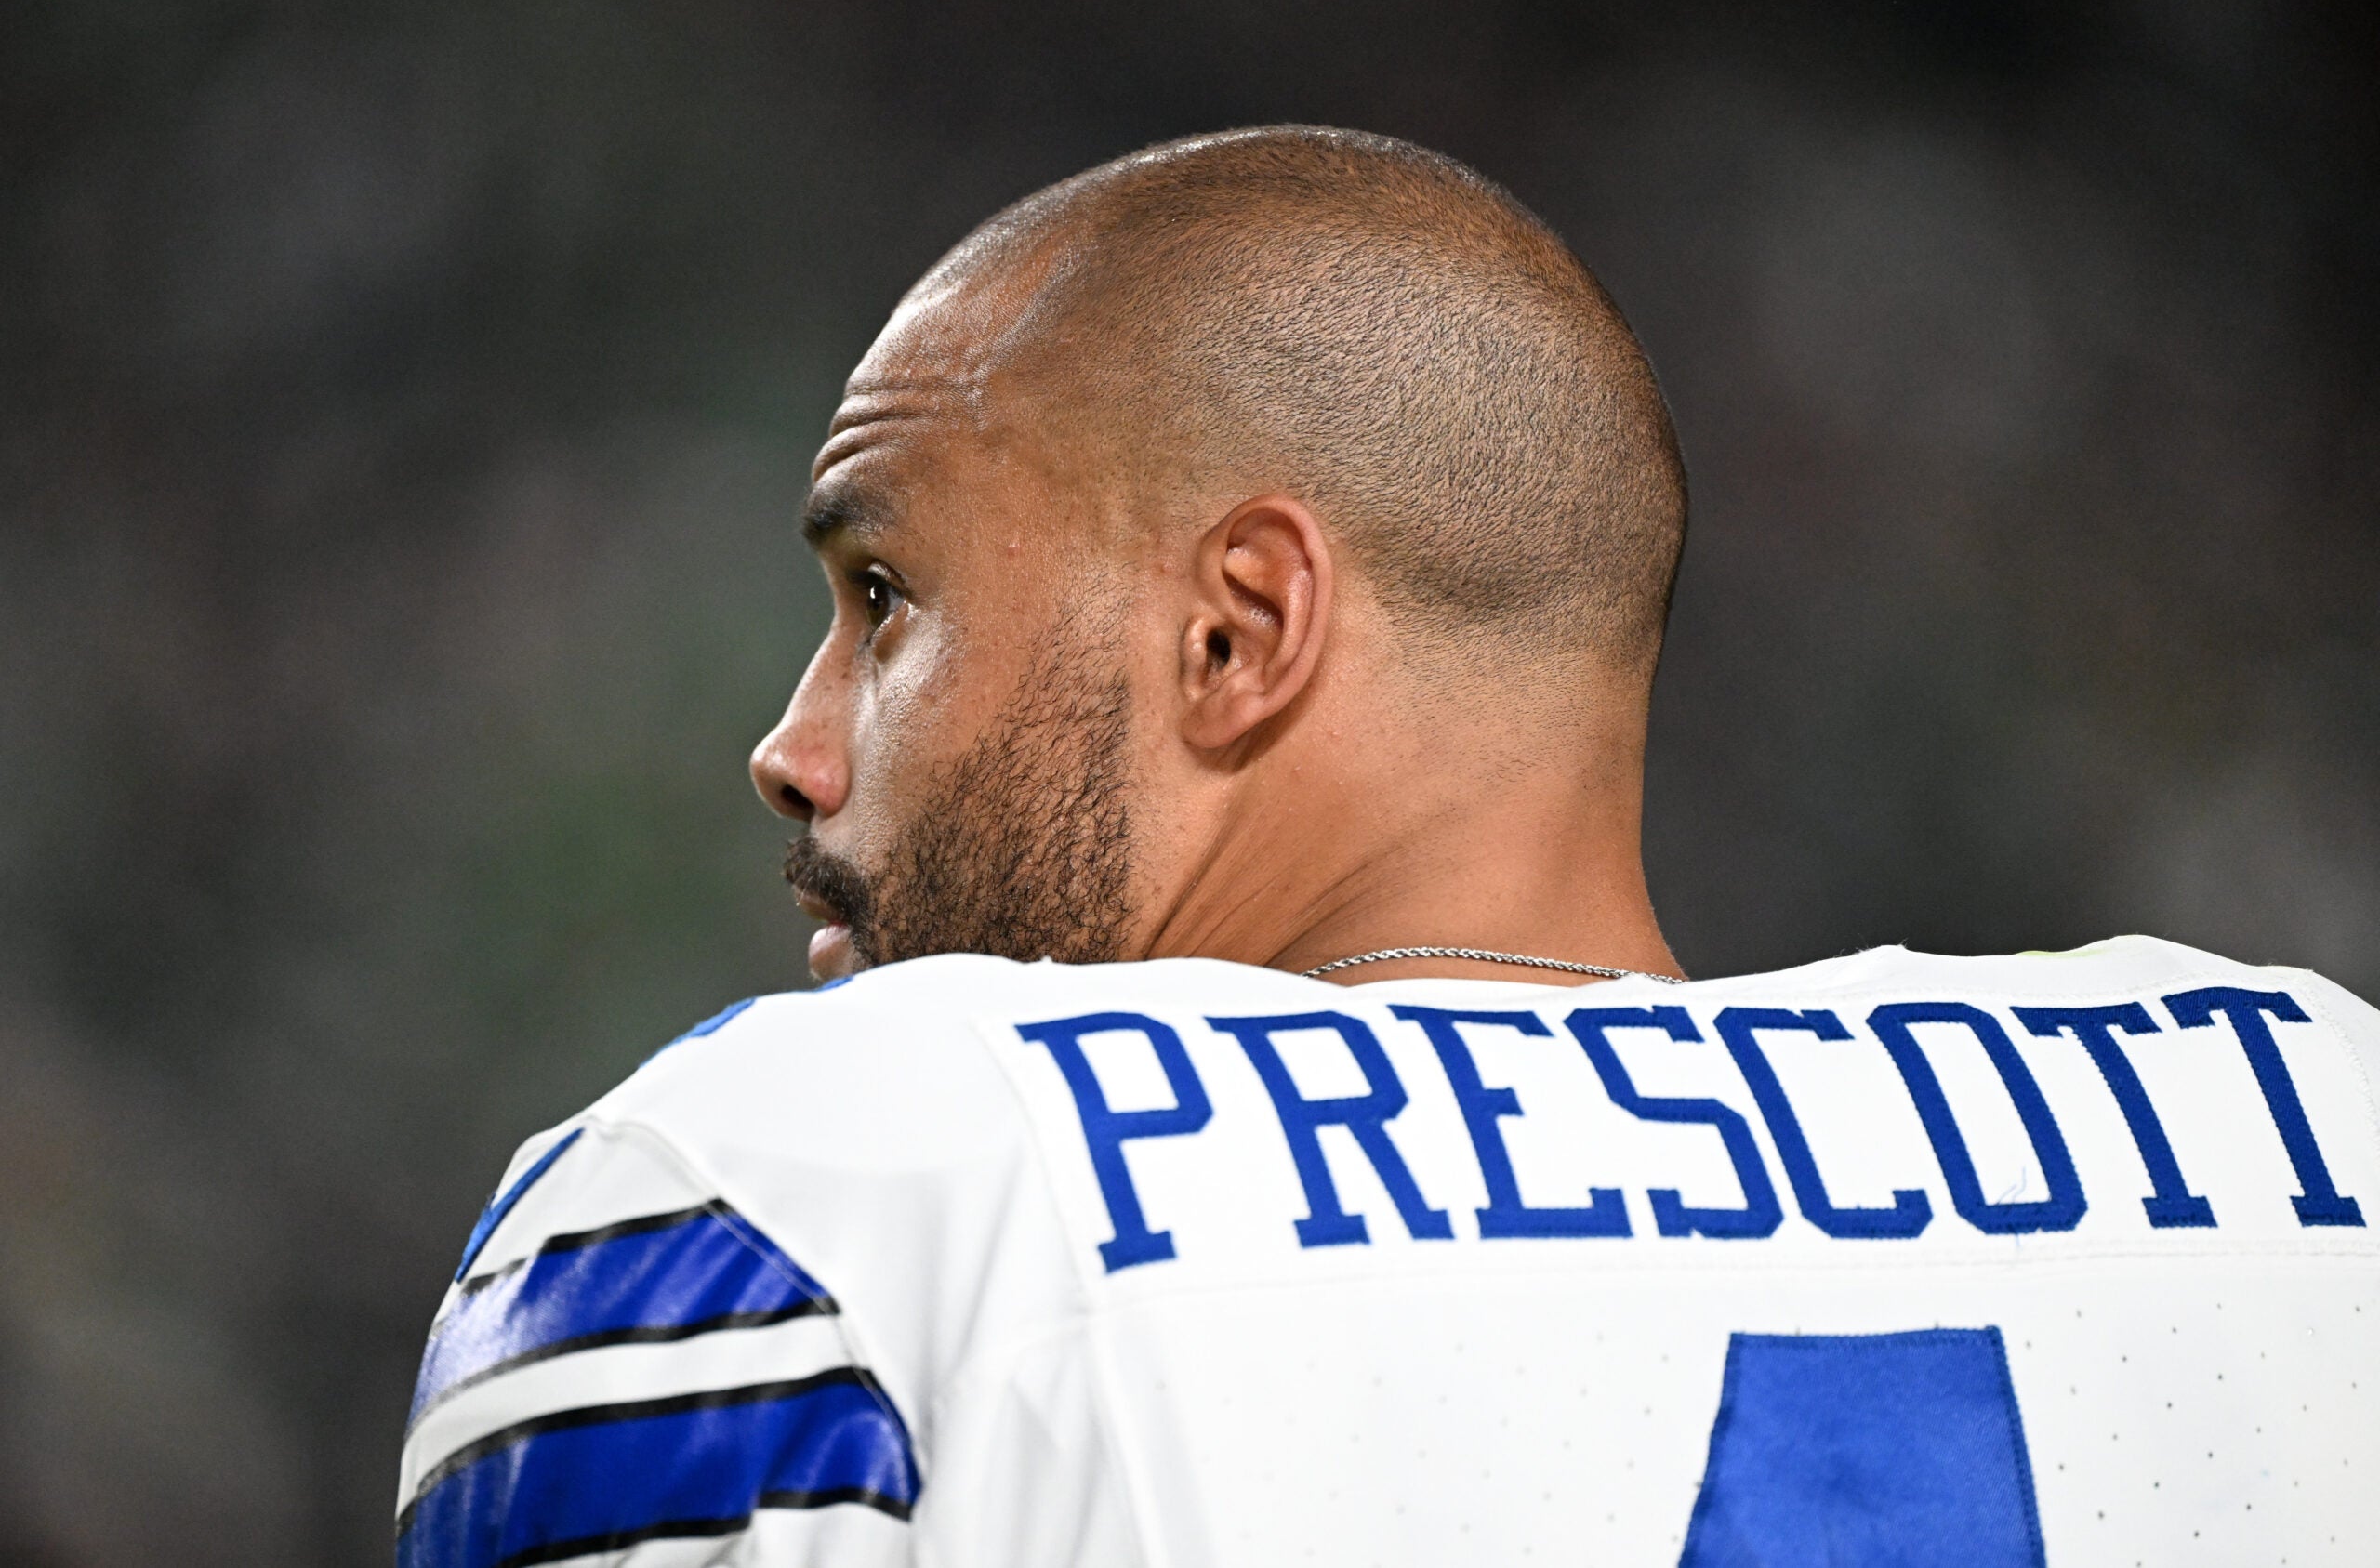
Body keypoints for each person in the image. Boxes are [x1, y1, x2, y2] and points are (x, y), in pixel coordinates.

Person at [394, 127, 2380, 1568]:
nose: (792, 748)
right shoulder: (2304, 1124)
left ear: (1236, 633)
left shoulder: (815, 1202)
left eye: (885, 596)